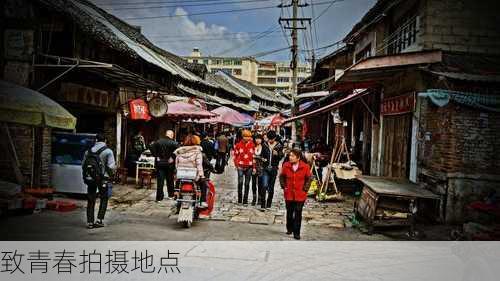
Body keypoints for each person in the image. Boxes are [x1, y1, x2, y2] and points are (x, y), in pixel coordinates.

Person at [82, 133, 116, 229]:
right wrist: (112, 176)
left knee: (91, 199)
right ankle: (99, 220)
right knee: (104, 198)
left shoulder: (87, 152)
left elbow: (83, 166)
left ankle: (89, 222)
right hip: (103, 179)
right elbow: (111, 167)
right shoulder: (108, 151)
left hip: (91, 178)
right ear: (105, 140)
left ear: (96, 140)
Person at [279, 149, 312, 240]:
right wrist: (284, 186)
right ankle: (289, 228)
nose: (290, 157)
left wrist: (305, 189)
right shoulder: (286, 165)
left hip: (300, 194)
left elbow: (309, 178)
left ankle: (296, 232)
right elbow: (282, 176)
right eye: (289, 155)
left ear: (298, 158)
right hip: (289, 193)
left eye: (293, 156)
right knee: (289, 212)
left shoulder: (305, 167)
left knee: (298, 212)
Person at [174, 134, 209, 208]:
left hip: (181, 175)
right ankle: (203, 201)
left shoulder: (179, 151)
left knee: (177, 184)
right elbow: (199, 165)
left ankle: (176, 195)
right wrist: (201, 176)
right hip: (193, 175)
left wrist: (178, 171)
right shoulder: (197, 152)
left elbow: (176, 164)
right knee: (204, 184)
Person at [150, 130, 179, 201]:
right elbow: (178, 151)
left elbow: (151, 146)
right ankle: (171, 195)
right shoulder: (174, 143)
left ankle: (159, 198)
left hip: (160, 163)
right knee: (170, 180)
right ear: (172, 135)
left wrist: (156, 155)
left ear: (165, 134)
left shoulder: (158, 142)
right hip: (170, 164)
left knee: (160, 181)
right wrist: (173, 157)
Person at [261, 130, 284, 209]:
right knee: (264, 185)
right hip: (265, 168)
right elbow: (261, 155)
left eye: (272, 139)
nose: (270, 140)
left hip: (274, 168)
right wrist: (262, 159)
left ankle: (269, 203)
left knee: (271, 187)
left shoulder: (279, 145)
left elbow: (281, 156)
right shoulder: (264, 144)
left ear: (275, 138)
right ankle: (263, 204)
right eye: (269, 139)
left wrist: (277, 154)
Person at [233, 129, 255, 205]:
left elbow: (254, 156)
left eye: (248, 136)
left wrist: (254, 166)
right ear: (242, 136)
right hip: (240, 166)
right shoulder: (238, 145)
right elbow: (235, 155)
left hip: (249, 166)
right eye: (245, 136)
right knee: (240, 182)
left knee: (247, 183)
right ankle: (239, 199)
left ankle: (245, 200)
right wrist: (236, 164)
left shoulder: (252, 145)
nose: (247, 138)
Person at [253, 134, 270, 206]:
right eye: (256, 138)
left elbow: (267, 158)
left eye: (259, 139)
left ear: (261, 139)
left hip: (261, 167)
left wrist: (261, 158)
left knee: (260, 183)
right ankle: (254, 198)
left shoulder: (264, 147)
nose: (257, 140)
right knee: (253, 183)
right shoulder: (252, 147)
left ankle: (260, 198)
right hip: (253, 166)